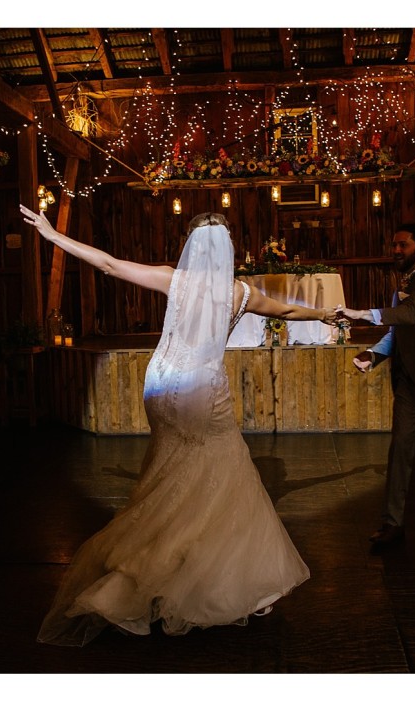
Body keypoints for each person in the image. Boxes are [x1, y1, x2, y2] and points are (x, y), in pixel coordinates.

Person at [21, 204, 338, 646]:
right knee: (221, 471)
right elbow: (286, 312)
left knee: (169, 469)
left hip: (161, 384)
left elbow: (109, 264)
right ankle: (197, 574)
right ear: (228, 247)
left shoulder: (174, 279)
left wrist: (54, 236)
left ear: (191, 245)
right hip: (202, 390)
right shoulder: (240, 294)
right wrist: (323, 315)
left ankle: (154, 560)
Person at [337, 223, 415, 548]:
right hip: (409, 382)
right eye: (394, 245)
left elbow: (410, 314)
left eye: (403, 245)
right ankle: (392, 522)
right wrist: (374, 354)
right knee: (399, 451)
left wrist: (362, 313)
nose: (396, 250)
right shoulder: (404, 284)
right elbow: (398, 332)